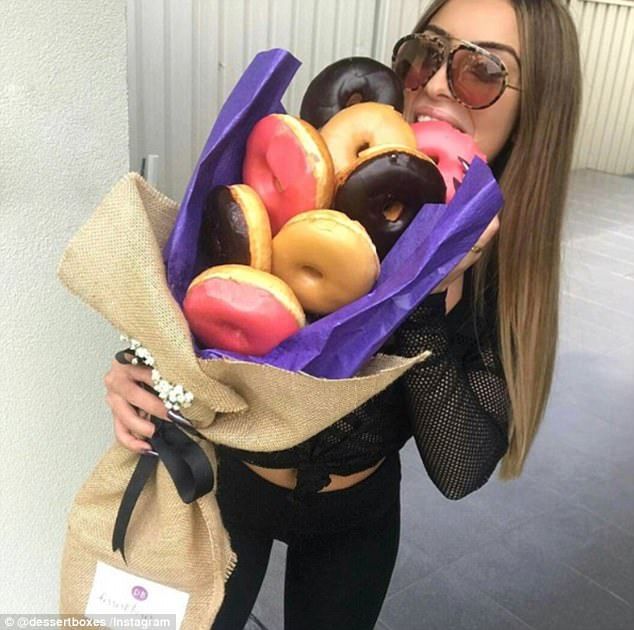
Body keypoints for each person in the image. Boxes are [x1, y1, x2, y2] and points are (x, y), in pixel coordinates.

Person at [103, 0, 582, 628]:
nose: (436, 83)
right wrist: (138, 372)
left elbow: (461, 467)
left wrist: (423, 290)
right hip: (227, 491)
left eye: (482, 71)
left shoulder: (498, 272)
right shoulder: (307, 194)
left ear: (533, 111)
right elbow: (198, 307)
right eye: (427, 54)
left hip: (357, 518)